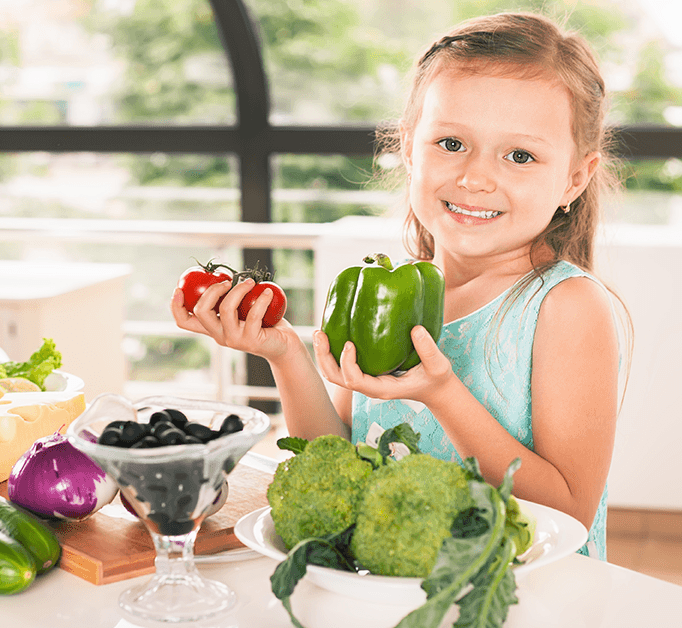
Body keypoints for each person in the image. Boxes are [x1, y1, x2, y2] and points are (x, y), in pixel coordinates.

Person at [170, 12, 626, 559]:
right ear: (410, 148)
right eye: (451, 143)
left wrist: (443, 394)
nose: (476, 177)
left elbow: (570, 512)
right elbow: (336, 462)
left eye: (520, 156)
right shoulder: (389, 293)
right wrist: (286, 354)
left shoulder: (566, 305)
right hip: (393, 588)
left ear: (575, 178)